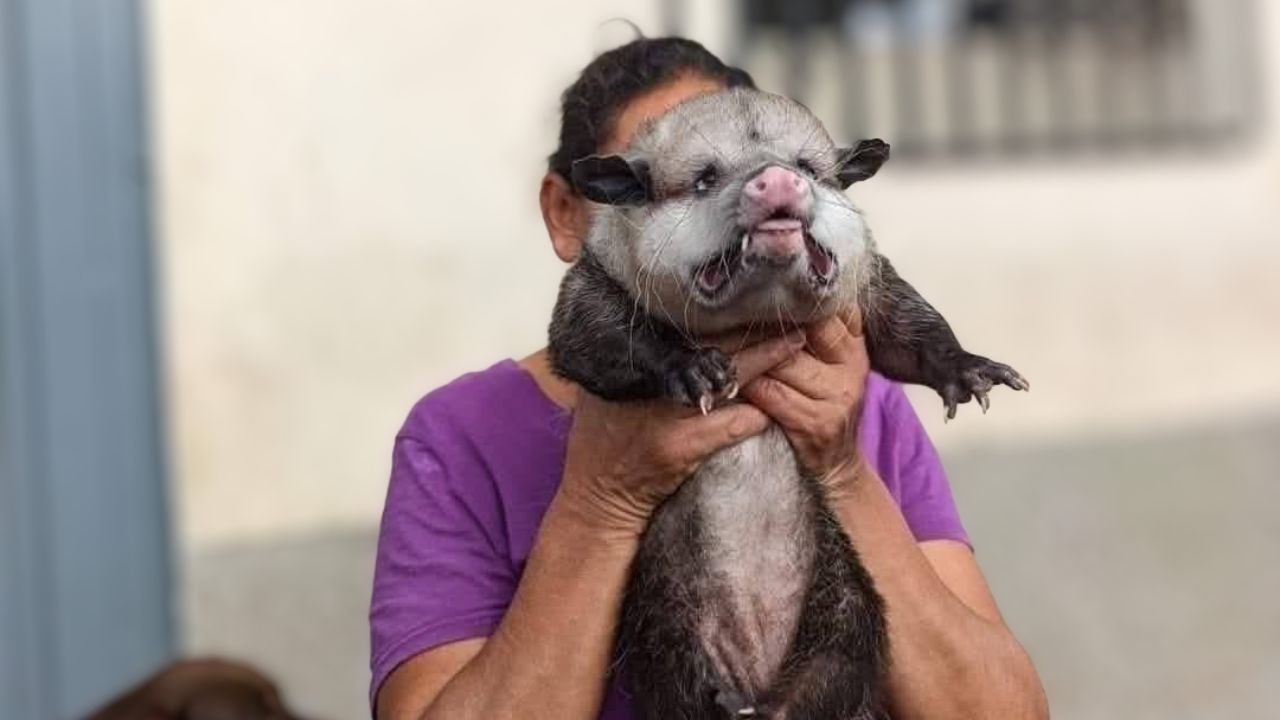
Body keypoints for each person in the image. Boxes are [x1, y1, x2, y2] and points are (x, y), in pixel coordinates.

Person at [370, 37, 1047, 720]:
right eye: (698, 182)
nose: (769, 191)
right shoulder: (459, 439)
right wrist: (604, 498)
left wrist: (841, 466)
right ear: (571, 213)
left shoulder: (861, 401)